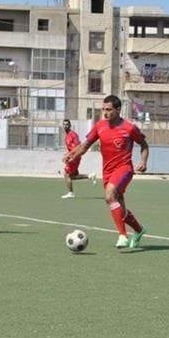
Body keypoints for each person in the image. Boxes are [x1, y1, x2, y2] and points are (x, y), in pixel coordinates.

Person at [64, 95, 149, 249]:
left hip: (124, 169)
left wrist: (143, 161)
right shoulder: (100, 126)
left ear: (118, 110)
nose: (105, 112)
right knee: (120, 209)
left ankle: (122, 236)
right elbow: (85, 145)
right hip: (107, 171)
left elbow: (144, 144)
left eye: (109, 109)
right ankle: (139, 230)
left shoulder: (129, 128)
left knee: (109, 196)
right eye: (103, 109)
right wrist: (72, 155)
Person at [61, 119, 97, 199]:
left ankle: (71, 193)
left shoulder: (73, 134)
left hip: (75, 157)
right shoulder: (67, 136)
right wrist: (67, 153)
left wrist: (69, 155)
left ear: (70, 126)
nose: (65, 126)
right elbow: (71, 148)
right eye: (64, 124)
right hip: (72, 156)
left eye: (67, 124)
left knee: (66, 174)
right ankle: (90, 176)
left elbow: (78, 146)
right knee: (73, 176)